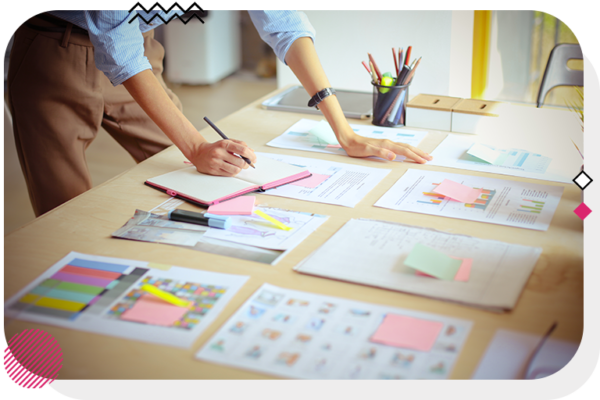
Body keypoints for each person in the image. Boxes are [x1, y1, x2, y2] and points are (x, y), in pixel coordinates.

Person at [8, 10, 432, 217]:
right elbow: (116, 47)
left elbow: (284, 24)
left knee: (200, 183)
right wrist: (195, 145)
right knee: (65, 215)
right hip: (55, 52)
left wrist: (344, 130)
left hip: (140, 49)